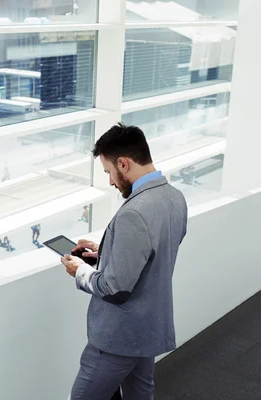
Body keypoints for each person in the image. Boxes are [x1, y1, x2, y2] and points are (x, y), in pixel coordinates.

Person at [61, 123, 188, 400]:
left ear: (123, 163)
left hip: (118, 336)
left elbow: (116, 288)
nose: (110, 181)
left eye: (109, 172)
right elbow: (153, 256)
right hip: (147, 328)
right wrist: (108, 252)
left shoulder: (135, 212)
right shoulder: (175, 198)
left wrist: (80, 270)